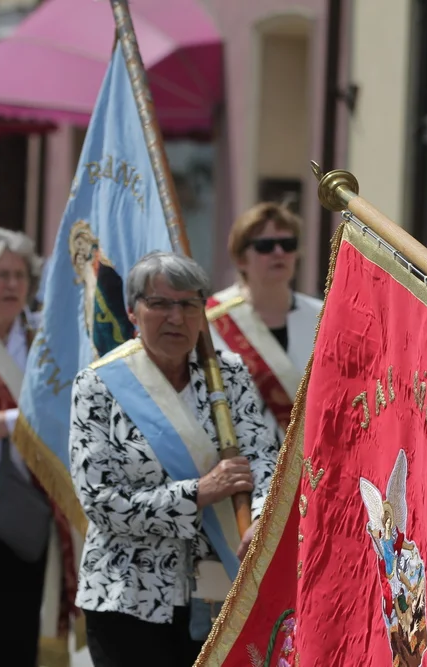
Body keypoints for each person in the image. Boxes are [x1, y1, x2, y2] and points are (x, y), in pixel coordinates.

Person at [69, 252, 279, 667]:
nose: (176, 318)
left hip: (221, 595)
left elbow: (262, 458)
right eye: (160, 304)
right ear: (133, 312)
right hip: (129, 599)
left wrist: (258, 518)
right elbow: (100, 500)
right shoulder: (99, 385)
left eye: (188, 305)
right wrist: (197, 493)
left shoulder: (229, 374)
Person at [0, 228, 71, 667]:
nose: (12, 285)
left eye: (20, 275)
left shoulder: (42, 344)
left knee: (18, 639)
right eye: (0, 275)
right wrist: (19, 421)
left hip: (34, 517)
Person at [207, 203, 323, 440]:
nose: (279, 253)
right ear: (240, 259)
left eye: (288, 245)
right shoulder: (210, 320)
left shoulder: (323, 316)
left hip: (311, 461)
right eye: (265, 246)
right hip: (242, 459)